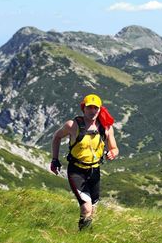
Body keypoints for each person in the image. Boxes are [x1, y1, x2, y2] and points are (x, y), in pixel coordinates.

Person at [51, 94, 119, 231]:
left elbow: (115, 148)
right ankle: (83, 236)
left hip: (94, 171)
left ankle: (87, 237)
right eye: (89, 108)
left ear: (100, 109)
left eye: (96, 108)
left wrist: (113, 153)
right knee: (86, 207)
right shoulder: (73, 125)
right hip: (76, 171)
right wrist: (55, 159)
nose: (92, 111)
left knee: (93, 209)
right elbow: (56, 137)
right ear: (84, 108)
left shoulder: (106, 128)